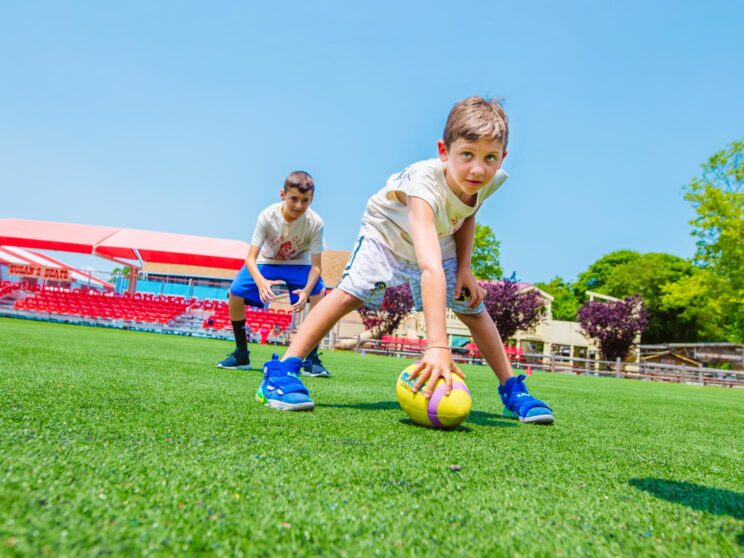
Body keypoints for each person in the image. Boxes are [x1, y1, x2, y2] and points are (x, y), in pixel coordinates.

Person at [257, 97, 554, 425]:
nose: (477, 168)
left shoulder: (490, 180)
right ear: (444, 151)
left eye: (490, 158)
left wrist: (465, 268)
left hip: (439, 235)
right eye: (466, 154)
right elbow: (431, 268)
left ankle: (513, 389)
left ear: (503, 158)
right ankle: (281, 371)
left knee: (471, 305)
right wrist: (437, 346)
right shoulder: (424, 183)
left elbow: (467, 213)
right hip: (387, 234)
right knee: (350, 294)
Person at [216, 171, 331, 377]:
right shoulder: (267, 216)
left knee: (319, 294)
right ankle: (242, 354)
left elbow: (317, 267)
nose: (298, 206)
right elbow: (250, 258)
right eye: (293, 198)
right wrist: (261, 282)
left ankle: (311, 359)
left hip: (299, 262)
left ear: (311, 200)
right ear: (282, 195)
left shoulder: (315, 223)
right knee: (235, 293)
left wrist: (305, 292)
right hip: (267, 260)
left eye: (305, 200)